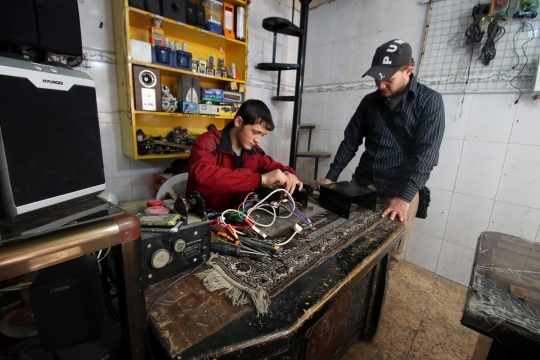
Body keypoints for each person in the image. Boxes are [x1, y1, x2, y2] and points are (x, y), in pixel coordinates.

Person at [317, 39, 445, 269]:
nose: (381, 84)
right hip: (363, 185)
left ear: (408, 71)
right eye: (377, 77)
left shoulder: (430, 101)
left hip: (398, 192)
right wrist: (332, 176)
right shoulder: (369, 102)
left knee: (387, 256)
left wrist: (404, 197)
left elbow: (427, 155)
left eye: (388, 78)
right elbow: (351, 140)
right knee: (349, 244)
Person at [187, 99, 302, 211]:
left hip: (237, 215)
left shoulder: (254, 151)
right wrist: (260, 179)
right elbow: (203, 177)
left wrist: (288, 173)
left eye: (262, 135)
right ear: (238, 122)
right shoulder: (208, 142)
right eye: (255, 132)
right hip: (204, 217)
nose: (258, 140)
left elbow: (274, 167)